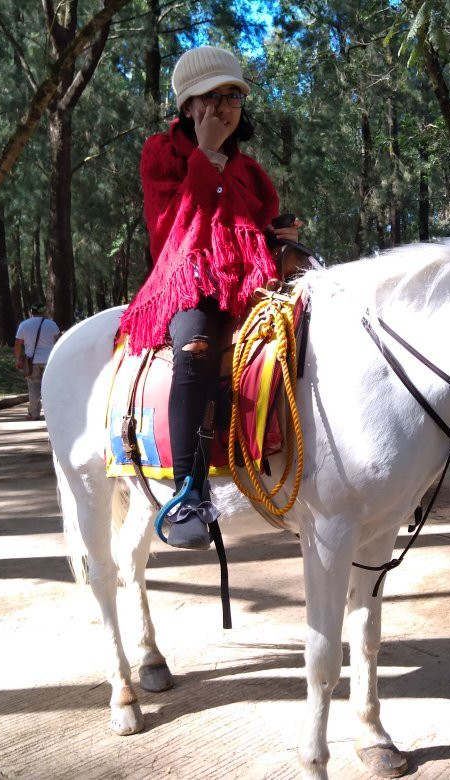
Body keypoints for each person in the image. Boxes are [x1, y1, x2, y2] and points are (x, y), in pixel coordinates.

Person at [117, 45, 301, 549]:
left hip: (249, 280)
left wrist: (275, 238)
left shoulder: (254, 174)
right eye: (210, 97)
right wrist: (206, 155)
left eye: (233, 96)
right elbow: (169, 232)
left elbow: (247, 228)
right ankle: (187, 495)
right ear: (188, 107)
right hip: (187, 278)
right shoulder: (162, 153)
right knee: (195, 347)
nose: (223, 107)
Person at [14, 302, 61, 421]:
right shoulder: (52, 325)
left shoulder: (24, 325)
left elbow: (18, 344)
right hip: (50, 361)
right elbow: (60, 340)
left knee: (33, 388)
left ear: (31, 311)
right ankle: (54, 413)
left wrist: (18, 359)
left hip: (32, 362)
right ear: (44, 312)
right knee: (51, 387)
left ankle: (33, 413)